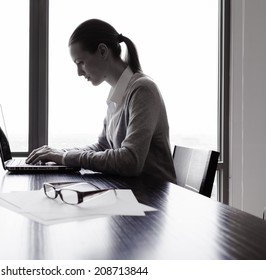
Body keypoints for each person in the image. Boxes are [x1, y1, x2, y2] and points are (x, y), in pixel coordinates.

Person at [26, 19, 176, 182]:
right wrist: (60, 153)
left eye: (80, 62)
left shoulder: (142, 90)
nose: (79, 72)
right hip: (132, 192)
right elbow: (103, 147)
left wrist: (66, 157)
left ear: (103, 51)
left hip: (154, 198)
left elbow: (131, 161)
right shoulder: (117, 93)